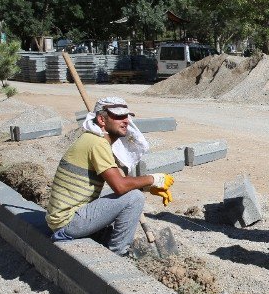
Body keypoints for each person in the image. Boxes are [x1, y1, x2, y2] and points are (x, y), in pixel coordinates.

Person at [46, 97, 174, 256]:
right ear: (101, 119)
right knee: (134, 198)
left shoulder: (93, 139)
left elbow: (119, 183)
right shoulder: (97, 144)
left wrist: (148, 187)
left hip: (64, 217)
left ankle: (104, 237)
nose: (126, 121)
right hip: (67, 223)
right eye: (118, 116)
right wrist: (155, 179)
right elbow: (120, 186)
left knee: (131, 193)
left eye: (126, 116)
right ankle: (118, 254)